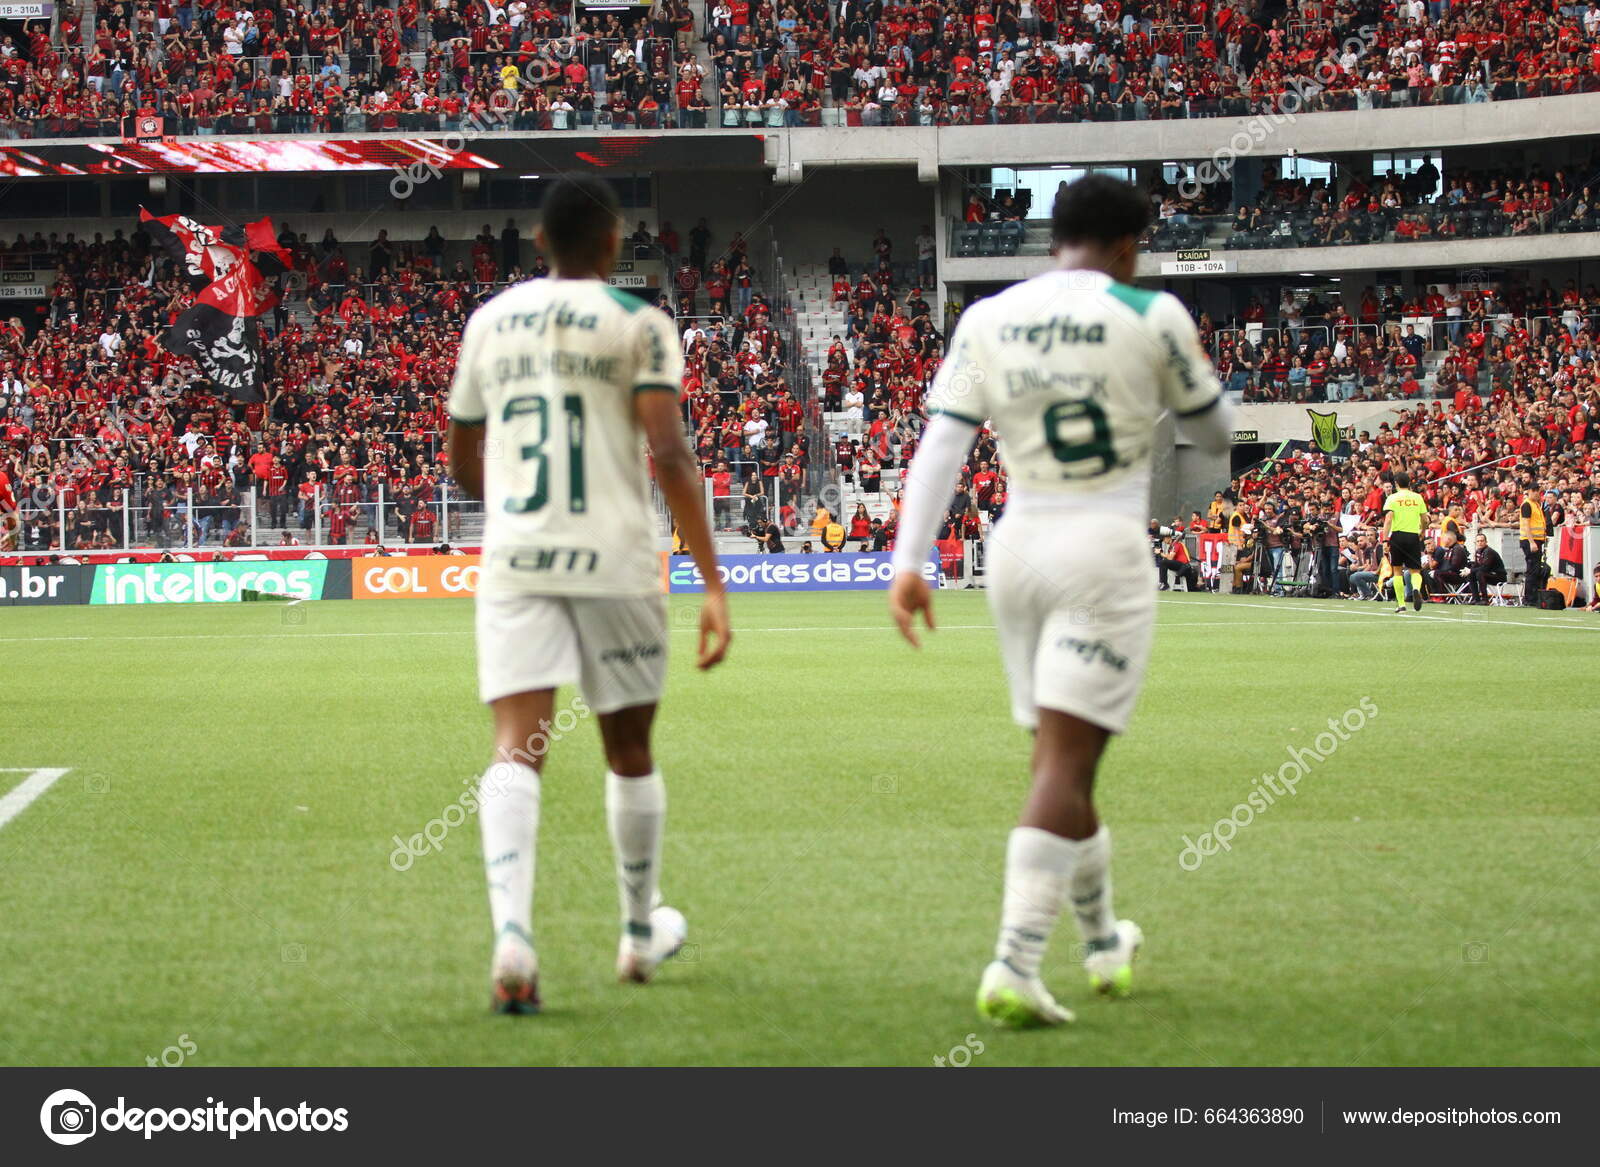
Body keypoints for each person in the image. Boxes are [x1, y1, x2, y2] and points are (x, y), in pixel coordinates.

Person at [886, 175, 1231, 1028]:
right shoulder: (1152, 315)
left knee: (1061, 762)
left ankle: (1105, 939)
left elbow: (942, 444)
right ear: (1127, 245)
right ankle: (1013, 960)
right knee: (1065, 767)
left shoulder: (988, 318)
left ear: (1052, 239)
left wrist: (910, 559)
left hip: (1017, 550)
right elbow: (1217, 432)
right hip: (1101, 553)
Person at [446, 174, 731, 1016]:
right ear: (613, 245)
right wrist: (713, 580)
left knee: (515, 746)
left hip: (519, 559)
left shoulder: (490, 322)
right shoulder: (641, 324)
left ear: (540, 243)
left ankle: (513, 935)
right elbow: (671, 456)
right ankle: (639, 935)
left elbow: (463, 450)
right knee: (629, 748)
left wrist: (506, 508)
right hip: (616, 560)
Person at [1380, 470, 1428, 613]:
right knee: (1415, 570)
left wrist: (1384, 539)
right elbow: (1425, 519)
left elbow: (1388, 519)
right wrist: (1423, 531)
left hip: (1398, 536)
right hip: (1413, 535)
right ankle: (1415, 588)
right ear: (1409, 483)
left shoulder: (1392, 498)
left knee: (1397, 571)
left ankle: (1401, 604)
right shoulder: (1418, 497)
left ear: (1396, 484)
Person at [1518, 485, 1549, 606]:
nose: (1537, 494)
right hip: (1530, 540)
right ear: (1530, 492)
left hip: (1536, 539)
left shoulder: (1536, 504)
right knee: (1532, 569)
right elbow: (1526, 524)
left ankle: (1533, 597)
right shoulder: (1527, 505)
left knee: (1535, 569)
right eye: (1535, 491)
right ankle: (1529, 598)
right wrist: (1531, 542)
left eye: (1538, 492)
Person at [1468, 532, 1507, 603]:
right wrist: (1468, 570)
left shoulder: (1489, 551)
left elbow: (1485, 567)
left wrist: (1471, 570)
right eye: (1478, 541)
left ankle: (1485, 599)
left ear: (1486, 542)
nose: (1480, 543)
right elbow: (1476, 565)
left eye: (1482, 541)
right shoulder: (1478, 552)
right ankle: (1475, 598)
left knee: (1479, 573)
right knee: (1471, 574)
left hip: (1499, 576)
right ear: (1475, 543)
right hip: (1488, 574)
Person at [1428, 528, 1469, 594]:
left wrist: (1439, 571)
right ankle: (1432, 595)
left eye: (1443, 539)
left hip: (1459, 576)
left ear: (1449, 540)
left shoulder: (1457, 549)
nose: (1442, 541)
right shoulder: (1450, 549)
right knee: (1428, 572)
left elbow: (1454, 567)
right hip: (1451, 573)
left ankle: (1442, 595)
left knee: (1437, 573)